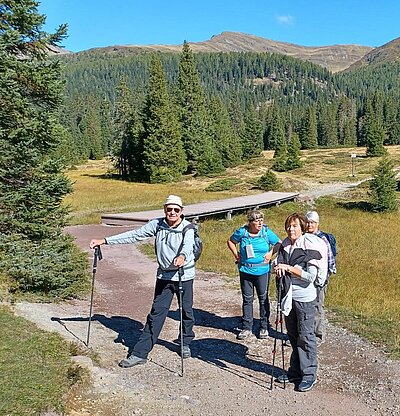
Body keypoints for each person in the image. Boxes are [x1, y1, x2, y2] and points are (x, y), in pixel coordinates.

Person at [89, 195, 196, 368]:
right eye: (169, 209)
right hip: (164, 276)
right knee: (156, 314)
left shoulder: (188, 228)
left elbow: (187, 246)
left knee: (186, 311)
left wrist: (182, 256)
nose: (172, 212)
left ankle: (185, 342)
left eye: (176, 210)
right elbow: (135, 235)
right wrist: (105, 241)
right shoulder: (158, 224)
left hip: (184, 275)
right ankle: (140, 353)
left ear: (181, 211)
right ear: (165, 210)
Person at [274, 213, 327, 392]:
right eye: (289, 226)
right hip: (289, 297)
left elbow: (310, 277)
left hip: (305, 298)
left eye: (295, 226)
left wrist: (289, 269)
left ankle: (309, 375)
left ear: (302, 227)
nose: (291, 229)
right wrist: (278, 269)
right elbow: (279, 263)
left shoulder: (308, 246)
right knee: (293, 336)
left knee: (306, 337)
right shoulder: (286, 245)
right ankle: (295, 371)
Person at [227, 210, 281, 340]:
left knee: (263, 298)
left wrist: (270, 253)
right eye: (257, 221)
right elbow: (230, 241)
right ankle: (247, 327)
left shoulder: (266, 232)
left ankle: (264, 326)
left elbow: (279, 243)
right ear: (250, 222)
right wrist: (236, 254)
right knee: (247, 299)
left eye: (261, 220)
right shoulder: (242, 232)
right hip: (245, 270)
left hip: (262, 271)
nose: (260, 223)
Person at [305, 210, 337, 344]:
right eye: (307, 222)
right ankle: (307, 334)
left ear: (317, 223)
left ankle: (318, 335)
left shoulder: (322, 238)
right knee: (306, 305)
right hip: (306, 277)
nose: (309, 225)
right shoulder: (304, 237)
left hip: (320, 278)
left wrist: (326, 275)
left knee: (318, 305)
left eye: (312, 222)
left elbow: (329, 259)